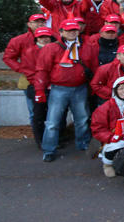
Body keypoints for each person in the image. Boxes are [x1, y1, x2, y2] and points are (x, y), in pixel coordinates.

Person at [34, 19, 98, 162]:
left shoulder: (87, 46)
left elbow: (93, 67)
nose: (72, 33)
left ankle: (83, 144)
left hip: (80, 88)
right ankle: (49, 149)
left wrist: (93, 87)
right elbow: (42, 70)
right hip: (59, 89)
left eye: (74, 30)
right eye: (68, 30)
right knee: (52, 122)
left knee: (82, 119)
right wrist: (40, 90)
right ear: (61, 32)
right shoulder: (51, 48)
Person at [3, 15, 53, 146]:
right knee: (34, 112)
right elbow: (8, 58)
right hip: (29, 80)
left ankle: (51, 138)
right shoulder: (19, 40)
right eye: (36, 22)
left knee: (51, 112)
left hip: (50, 81)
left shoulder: (52, 38)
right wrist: (21, 69)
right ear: (29, 24)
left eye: (42, 22)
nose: (40, 24)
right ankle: (39, 139)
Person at [90, 77, 124, 177]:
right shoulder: (105, 108)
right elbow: (98, 128)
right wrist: (111, 137)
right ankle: (107, 164)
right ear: (115, 90)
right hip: (112, 137)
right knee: (113, 147)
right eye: (121, 88)